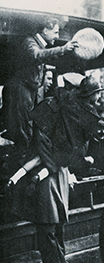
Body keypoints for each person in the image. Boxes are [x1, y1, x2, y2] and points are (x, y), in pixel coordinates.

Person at [9, 76, 104, 263]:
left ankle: (62, 259)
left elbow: (71, 145)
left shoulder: (71, 111)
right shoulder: (51, 110)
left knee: (59, 219)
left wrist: (68, 165)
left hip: (59, 170)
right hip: (46, 173)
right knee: (48, 221)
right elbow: (43, 149)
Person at [0, 17, 79, 161]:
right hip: (20, 92)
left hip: (27, 92)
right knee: (22, 129)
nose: (57, 36)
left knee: (27, 127)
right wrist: (63, 49)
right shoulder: (30, 43)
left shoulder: (39, 45)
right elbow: (37, 55)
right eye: (55, 32)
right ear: (44, 30)